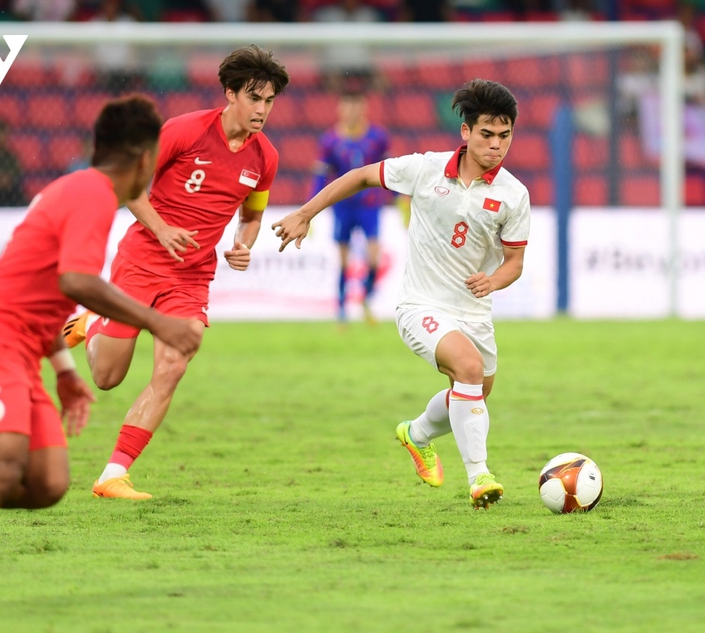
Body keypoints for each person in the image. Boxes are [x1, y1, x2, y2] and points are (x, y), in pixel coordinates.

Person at [0, 95, 202, 614]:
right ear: (143, 161)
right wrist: (157, 320)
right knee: (0, 470)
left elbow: (47, 290)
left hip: (23, 351)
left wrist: (66, 372)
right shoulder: (93, 196)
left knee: (47, 481)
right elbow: (77, 282)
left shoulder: (78, 190)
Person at [273, 79, 530, 510]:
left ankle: (417, 433)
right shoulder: (425, 169)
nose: (496, 145)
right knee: (467, 370)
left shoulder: (513, 194)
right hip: (421, 307)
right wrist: (305, 213)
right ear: (465, 133)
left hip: (474, 312)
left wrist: (495, 281)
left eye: (505, 136)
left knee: (476, 392)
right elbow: (358, 177)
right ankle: (479, 476)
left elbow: (514, 263)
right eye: (487, 134)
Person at [62, 45, 289, 499]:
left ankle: (113, 474)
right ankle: (91, 324)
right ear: (230, 93)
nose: (262, 110)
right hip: (143, 261)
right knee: (108, 377)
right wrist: (163, 230)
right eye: (254, 98)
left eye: (269, 101)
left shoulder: (265, 158)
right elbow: (129, 185)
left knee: (172, 366)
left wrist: (243, 245)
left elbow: (251, 216)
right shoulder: (183, 131)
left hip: (192, 277)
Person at [310, 80, 390, 323]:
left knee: (374, 255)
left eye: (357, 105)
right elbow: (321, 175)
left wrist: (399, 200)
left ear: (364, 108)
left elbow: (389, 170)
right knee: (343, 258)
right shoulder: (330, 140)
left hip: (370, 204)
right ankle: (343, 308)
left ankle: (366, 297)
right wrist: (310, 208)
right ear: (340, 109)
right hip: (343, 205)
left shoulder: (378, 137)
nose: (353, 111)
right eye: (348, 106)